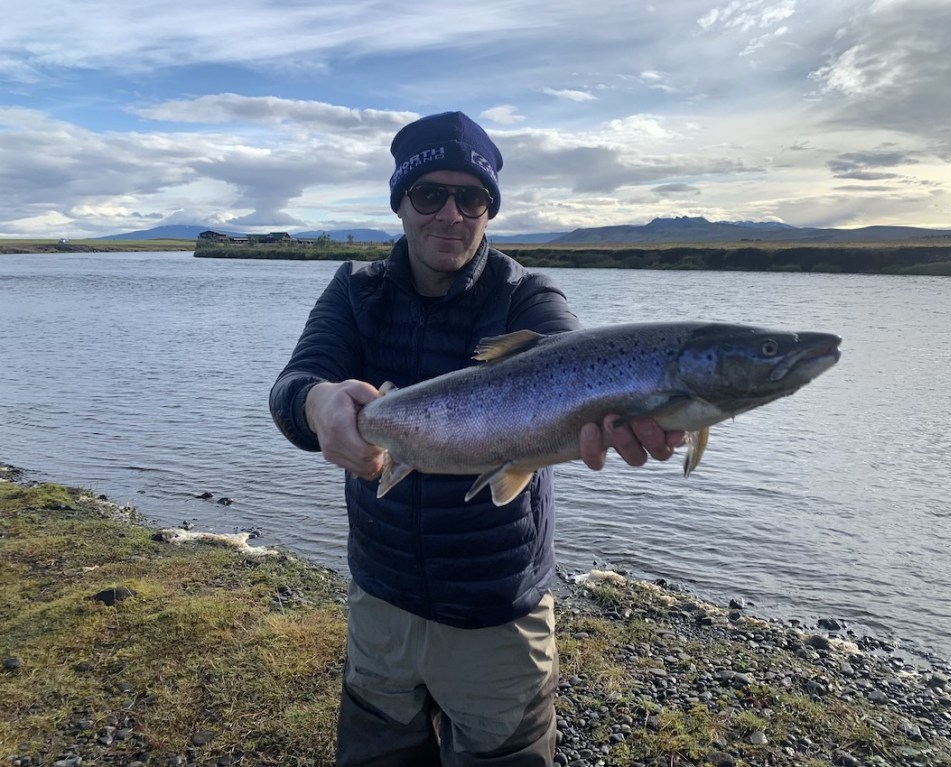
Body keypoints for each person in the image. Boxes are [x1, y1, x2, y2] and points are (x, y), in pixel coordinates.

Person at [269, 111, 683, 767]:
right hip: (380, 598)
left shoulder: (528, 297)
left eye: (471, 198)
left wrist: (622, 407)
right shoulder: (354, 290)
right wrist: (317, 404)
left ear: (489, 210)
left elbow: (575, 356)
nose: (451, 214)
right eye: (430, 194)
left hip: (498, 613)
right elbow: (292, 386)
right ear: (400, 203)